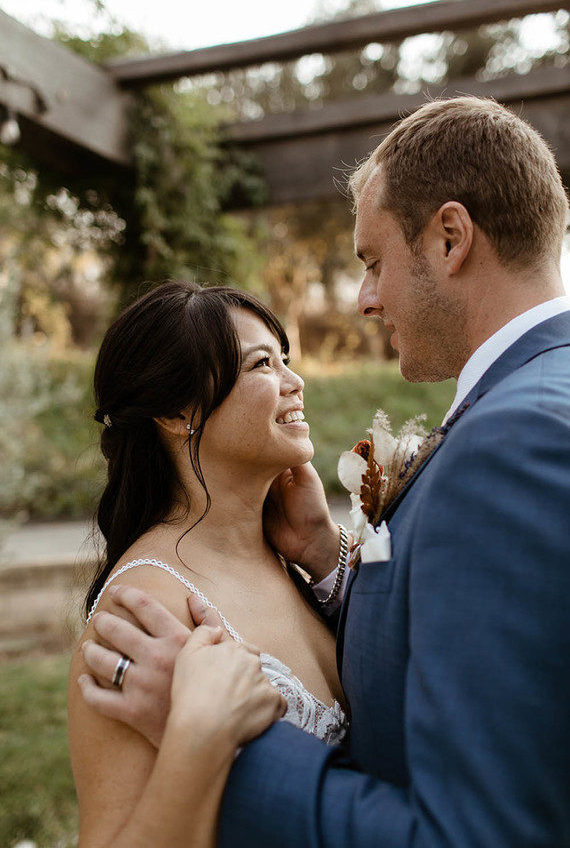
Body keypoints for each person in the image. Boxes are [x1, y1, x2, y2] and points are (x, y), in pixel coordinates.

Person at [80, 96, 570, 846]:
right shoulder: (153, 601)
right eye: (260, 364)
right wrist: (329, 557)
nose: (366, 299)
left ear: (450, 238)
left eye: (372, 262)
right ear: (178, 413)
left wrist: (214, 744)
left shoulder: (510, 438)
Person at [67, 282, 349, 848]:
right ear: (176, 411)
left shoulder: (289, 558)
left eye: (286, 360)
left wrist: (327, 552)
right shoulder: (143, 612)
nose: (296, 383)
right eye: (263, 364)